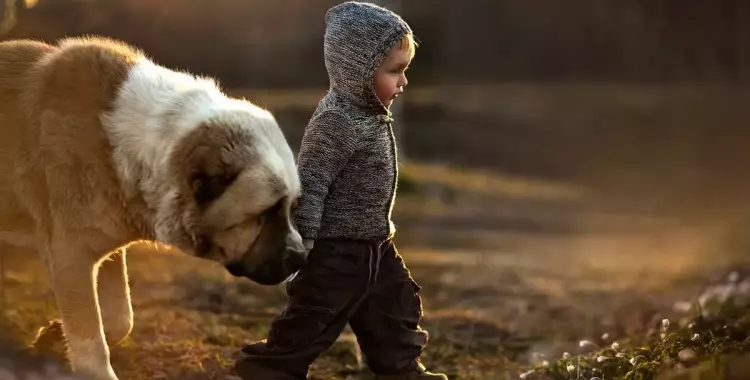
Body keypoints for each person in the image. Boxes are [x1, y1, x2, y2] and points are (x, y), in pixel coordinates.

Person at [234, 2, 447, 379]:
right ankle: (266, 370)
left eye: (405, 71)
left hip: (377, 246)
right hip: (335, 251)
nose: (404, 82)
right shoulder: (336, 120)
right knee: (313, 319)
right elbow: (311, 185)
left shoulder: (370, 114)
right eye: (395, 71)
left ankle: (402, 371)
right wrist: (304, 244)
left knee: (395, 309)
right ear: (358, 71)